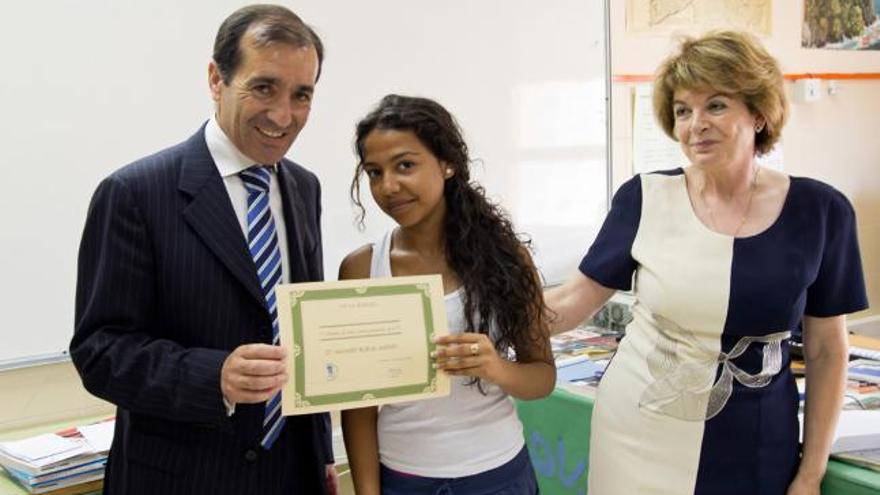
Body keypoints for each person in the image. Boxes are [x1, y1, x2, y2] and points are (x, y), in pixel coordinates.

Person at [546, 31, 868, 495]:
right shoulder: (644, 198)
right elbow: (574, 300)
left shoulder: (821, 212)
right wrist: (489, 319)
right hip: (639, 433)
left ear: (758, 113)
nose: (696, 124)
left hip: (756, 441)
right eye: (682, 110)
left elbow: (825, 351)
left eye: (716, 105)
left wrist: (810, 474)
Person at [70, 5, 337, 494]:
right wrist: (214, 377)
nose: (284, 115)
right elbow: (100, 350)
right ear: (217, 79)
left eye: (302, 95)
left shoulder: (304, 188)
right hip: (183, 478)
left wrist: (321, 456)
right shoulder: (135, 192)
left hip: (290, 474)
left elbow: (302, 332)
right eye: (264, 88)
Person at [339, 94, 555, 495]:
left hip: (498, 475)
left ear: (447, 163)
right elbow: (358, 407)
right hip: (403, 478)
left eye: (405, 165)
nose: (388, 186)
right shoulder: (361, 268)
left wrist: (496, 368)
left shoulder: (506, 258)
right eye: (373, 172)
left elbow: (541, 378)